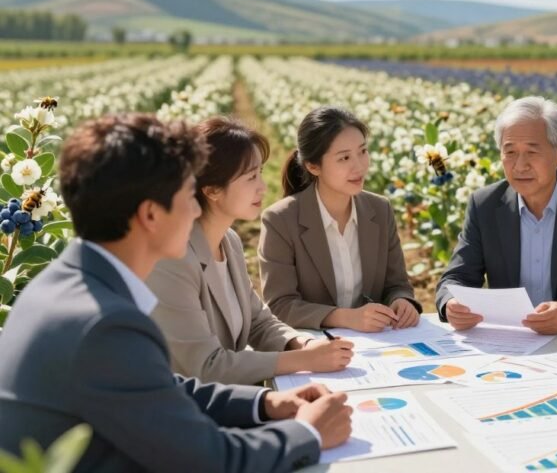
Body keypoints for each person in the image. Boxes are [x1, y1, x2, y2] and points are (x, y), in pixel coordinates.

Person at [0, 113, 352, 472]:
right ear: (151, 215)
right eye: (188, 195)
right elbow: (208, 460)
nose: (197, 207)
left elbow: (162, 386)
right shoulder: (106, 323)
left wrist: (264, 403)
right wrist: (308, 431)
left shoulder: (68, 285)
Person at [149, 117, 354, 385]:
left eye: (260, 173)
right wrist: (304, 360)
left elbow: (258, 321)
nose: (263, 186)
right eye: (251, 177)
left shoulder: (229, 241)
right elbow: (204, 367)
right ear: (211, 190)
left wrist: (301, 343)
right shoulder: (173, 259)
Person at [436, 96, 557, 335]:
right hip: (507, 340)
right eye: (510, 152)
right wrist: (451, 304)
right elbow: (456, 277)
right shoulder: (484, 204)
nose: (519, 165)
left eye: (531, 151)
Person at [260, 106, 421, 332]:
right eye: (344, 157)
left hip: (379, 346)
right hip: (314, 347)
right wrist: (345, 318)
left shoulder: (380, 209)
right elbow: (280, 305)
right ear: (313, 166)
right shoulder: (280, 220)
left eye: (363, 151)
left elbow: (397, 284)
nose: (359, 166)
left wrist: (402, 301)